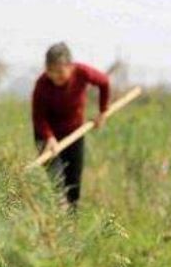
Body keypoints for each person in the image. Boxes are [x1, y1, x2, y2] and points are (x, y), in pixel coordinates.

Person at [31, 42, 111, 211]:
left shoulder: (82, 72)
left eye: (60, 72)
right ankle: (54, 226)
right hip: (47, 137)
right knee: (57, 186)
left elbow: (104, 82)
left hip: (74, 133)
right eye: (51, 72)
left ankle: (71, 230)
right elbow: (38, 117)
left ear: (70, 67)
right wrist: (49, 137)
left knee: (73, 187)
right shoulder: (42, 85)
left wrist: (103, 111)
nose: (55, 76)